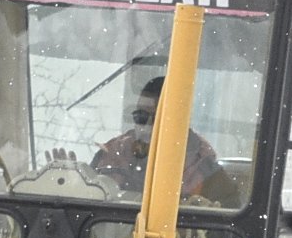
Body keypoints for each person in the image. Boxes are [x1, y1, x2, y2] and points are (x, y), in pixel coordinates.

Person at [91, 76, 234, 202]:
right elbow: (88, 198)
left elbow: (225, 226)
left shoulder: (207, 172)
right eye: (141, 117)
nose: (147, 128)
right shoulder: (110, 157)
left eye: (160, 120)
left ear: (180, 123)